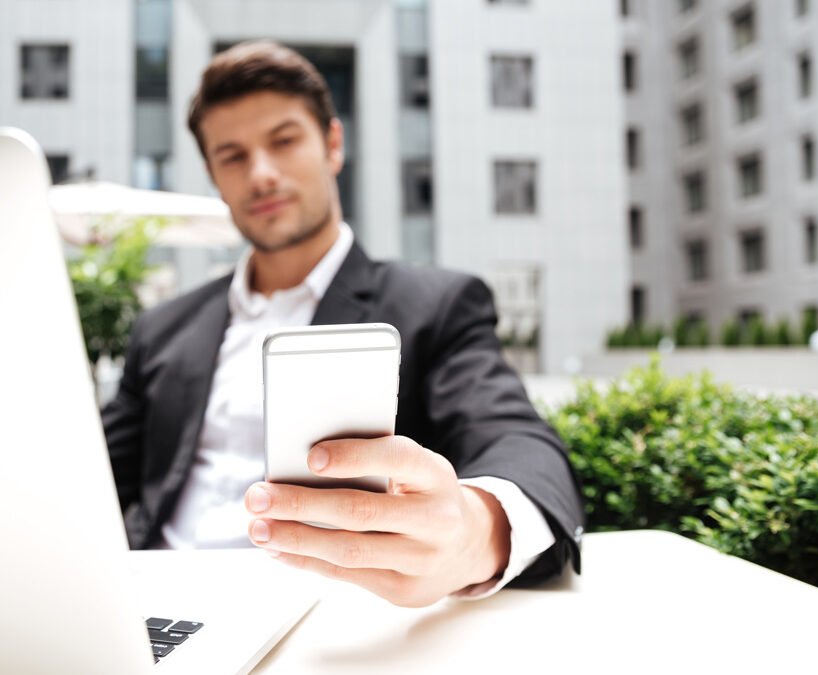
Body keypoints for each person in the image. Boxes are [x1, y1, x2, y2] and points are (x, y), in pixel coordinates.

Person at [102, 41, 583, 607]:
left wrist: (475, 534)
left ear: (333, 144)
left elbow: (516, 440)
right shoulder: (164, 327)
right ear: (213, 174)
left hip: (326, 614)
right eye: (232, 156)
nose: (261, 174)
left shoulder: (434, 303)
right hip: (152, 612)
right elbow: (90, 479)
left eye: (283, 142)